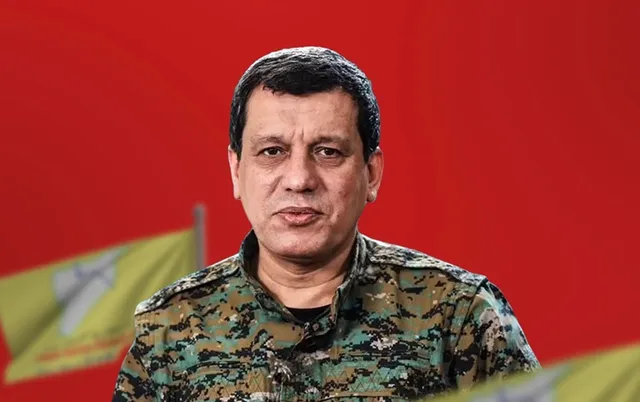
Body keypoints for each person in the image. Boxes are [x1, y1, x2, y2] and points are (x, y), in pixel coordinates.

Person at [113, 46, 540, 401]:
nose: (299, 179)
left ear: (371, 173)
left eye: (328, 152)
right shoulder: (170, 327)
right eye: (272, 152)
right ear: (236, 170)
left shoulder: (458, 315)